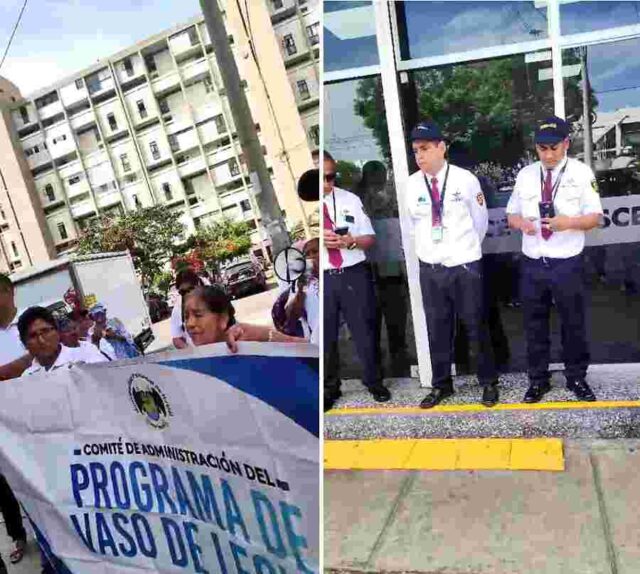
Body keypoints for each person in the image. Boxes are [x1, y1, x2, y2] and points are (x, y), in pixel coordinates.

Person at [506, 115, 603, 403]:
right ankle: (538, 381)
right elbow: (511, 214)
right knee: (534, 325)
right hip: (533, 262)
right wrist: (520, 223)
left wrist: (568, 223)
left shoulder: (581, 173)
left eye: (554, 148)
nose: (548, 155)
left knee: (573, 324)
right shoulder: (525, 175)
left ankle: (576, 378)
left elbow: (596, 218)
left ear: (566, 144)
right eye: (541, 148)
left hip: (567, 263)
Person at [406, 120, 499, 408]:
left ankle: (488, 382)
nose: (419, 156)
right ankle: (441, 385)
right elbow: (412, 227)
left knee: (475, 324)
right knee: (437, 328)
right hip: (431, 269)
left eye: (424, 149)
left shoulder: (465, 180)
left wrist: (463, 251)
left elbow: (480, 222)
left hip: (464, 266)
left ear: (441, 147)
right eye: (415, 151)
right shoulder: (411, 185)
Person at [323, 151, 390, 411]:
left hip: (353, 271)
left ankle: (374, 381)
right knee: (327, 337)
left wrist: (350, 241)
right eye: (323, 178)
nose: (328, 183)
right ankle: (330, 388)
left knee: (365, 331)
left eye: (332, 177)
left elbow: (369, 237)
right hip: (324, 276)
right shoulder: (303, 205)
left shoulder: (350, 199)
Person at [356, 160, 410, 377]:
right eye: (381, 175)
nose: (384, 179)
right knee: (377, 320)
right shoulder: (361, 200)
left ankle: (395, 357)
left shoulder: (386, 197)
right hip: (373, 270)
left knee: (392, 317)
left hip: (388, 268)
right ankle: (384, 360)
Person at [0, 274, 30, 569]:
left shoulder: (29, 324)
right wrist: (22, 364)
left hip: (32, 422)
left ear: (9, 292)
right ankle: (18, 536)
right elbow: (30, 360)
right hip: (1, 425)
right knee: (4, 488)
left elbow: (44, 356)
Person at [183, 285, 305, 349]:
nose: (189, 324)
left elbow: (311, 351)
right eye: (186, 317)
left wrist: (268, 335)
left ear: (223, 319)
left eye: (198, 315)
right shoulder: (189, 369)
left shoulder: (253, 346)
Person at [19, 307, 109, 376]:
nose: (41, 340)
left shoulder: (85, 356)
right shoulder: (27, 377)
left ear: (57, 332)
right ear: (24, 343)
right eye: (33, 336)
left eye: (45, 331)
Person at [272, 238, 320, 344]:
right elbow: (291, 316)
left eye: (315, 252)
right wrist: (300, 291)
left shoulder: (333, 275)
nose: (311, 256)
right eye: (307, 254)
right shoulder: (300, 284)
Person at [170, 269, 204, 349]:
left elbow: (230, 325)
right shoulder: (178, 309)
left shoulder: (213, 299)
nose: (187, 295)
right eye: (183, 292)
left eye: (190, 289)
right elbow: (176, 338)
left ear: (198, 285)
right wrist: (191, 352)